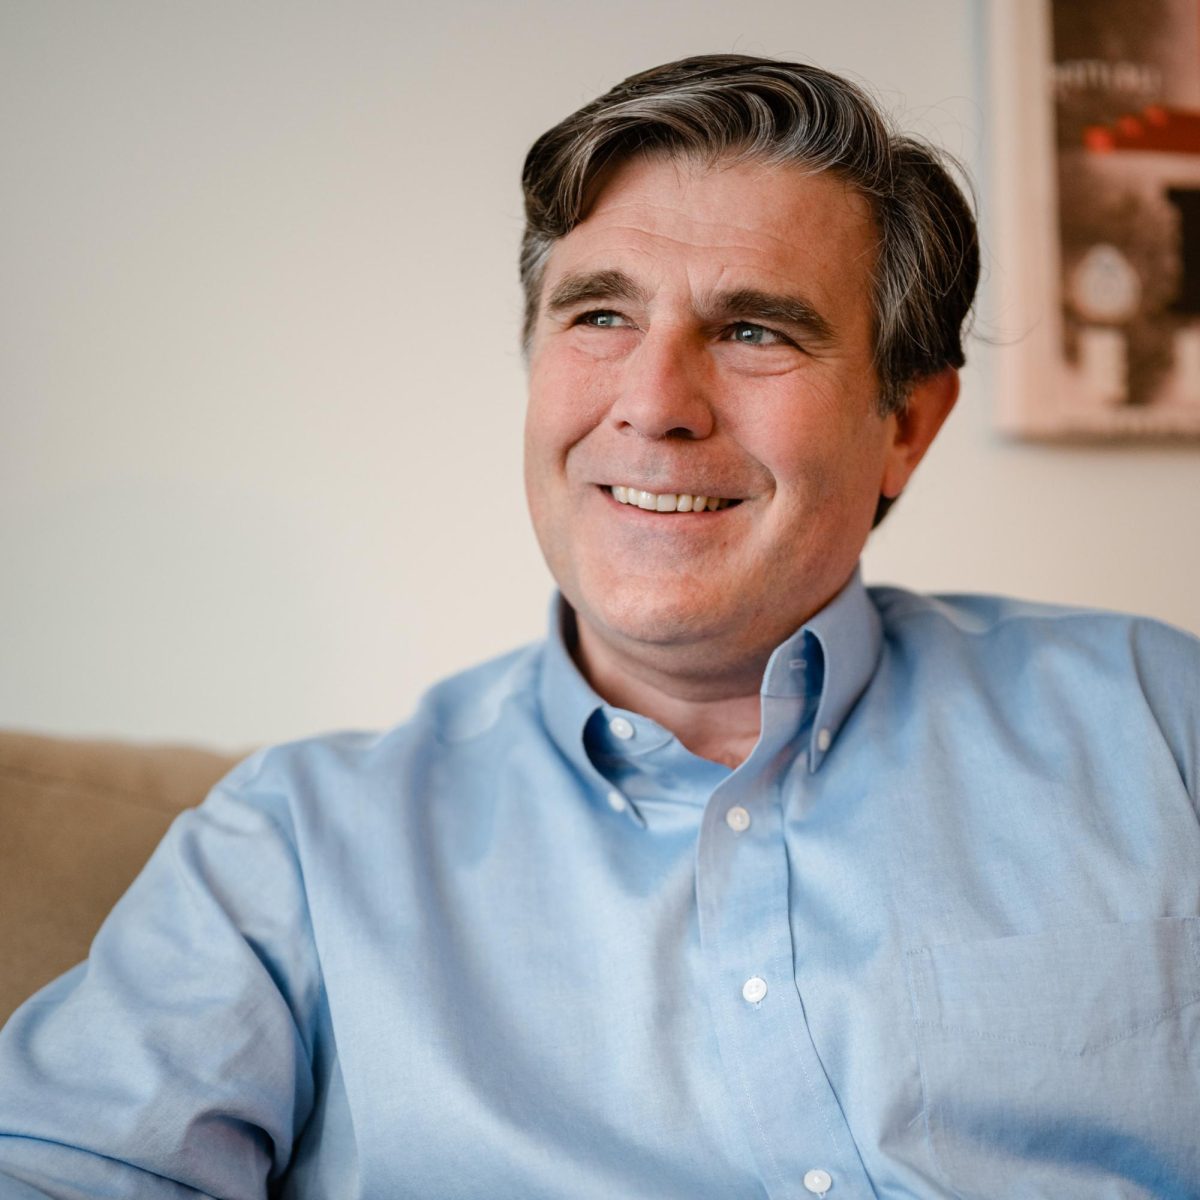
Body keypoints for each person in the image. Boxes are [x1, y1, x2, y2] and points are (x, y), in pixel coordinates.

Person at [0, 53, 1197, 1200]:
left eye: (754, 331)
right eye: (599, 317)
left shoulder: (1155, 721)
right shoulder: (295, 849)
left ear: (906, 426)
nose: (655, 404)